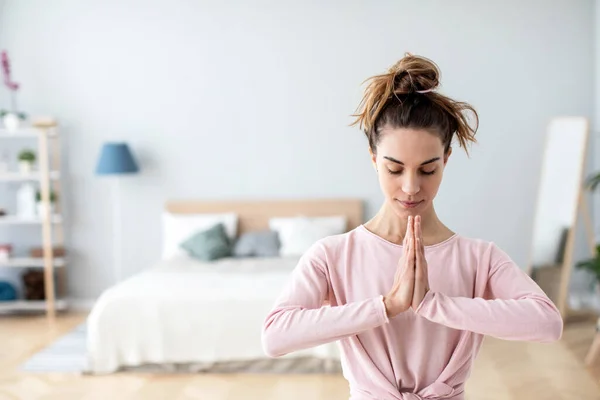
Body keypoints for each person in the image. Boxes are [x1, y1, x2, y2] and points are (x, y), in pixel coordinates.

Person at [261, 53, 563, 400]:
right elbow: (275, 336)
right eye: (394, 169)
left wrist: (434, 304)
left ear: (446, 160)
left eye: (427, 169)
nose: (410, 187)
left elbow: (547, 324)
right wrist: (387, 306)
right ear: (374, 159)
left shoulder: (479, 257)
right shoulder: (333, 255)